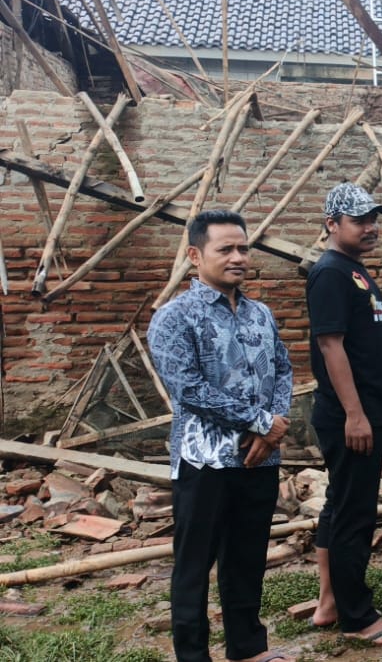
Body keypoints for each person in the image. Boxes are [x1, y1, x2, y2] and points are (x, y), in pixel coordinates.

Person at [148, 209, 295, 662]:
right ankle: (192, 655)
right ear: (195, 255)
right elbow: (188, 389)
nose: (238, 258)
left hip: (258, 458)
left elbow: (284, 370)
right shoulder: (174, 317)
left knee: (247, 558)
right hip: (204, 462)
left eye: (243, 248)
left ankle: (247, 647)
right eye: (225, 249)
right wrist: (259, 422)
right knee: (194, 565)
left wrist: (272, 429)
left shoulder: (260, 313)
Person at [304, 184, 382, 646]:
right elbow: (331, 345)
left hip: (365, 410)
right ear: (332, 224)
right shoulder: (329, 273)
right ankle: (358, 616)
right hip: (353, 415)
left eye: (372, 219)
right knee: (355, 513)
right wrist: (355, 413)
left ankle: (329, 603)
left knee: (339, 504)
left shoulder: (353, 271)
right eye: (358, 220)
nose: (369, 228)